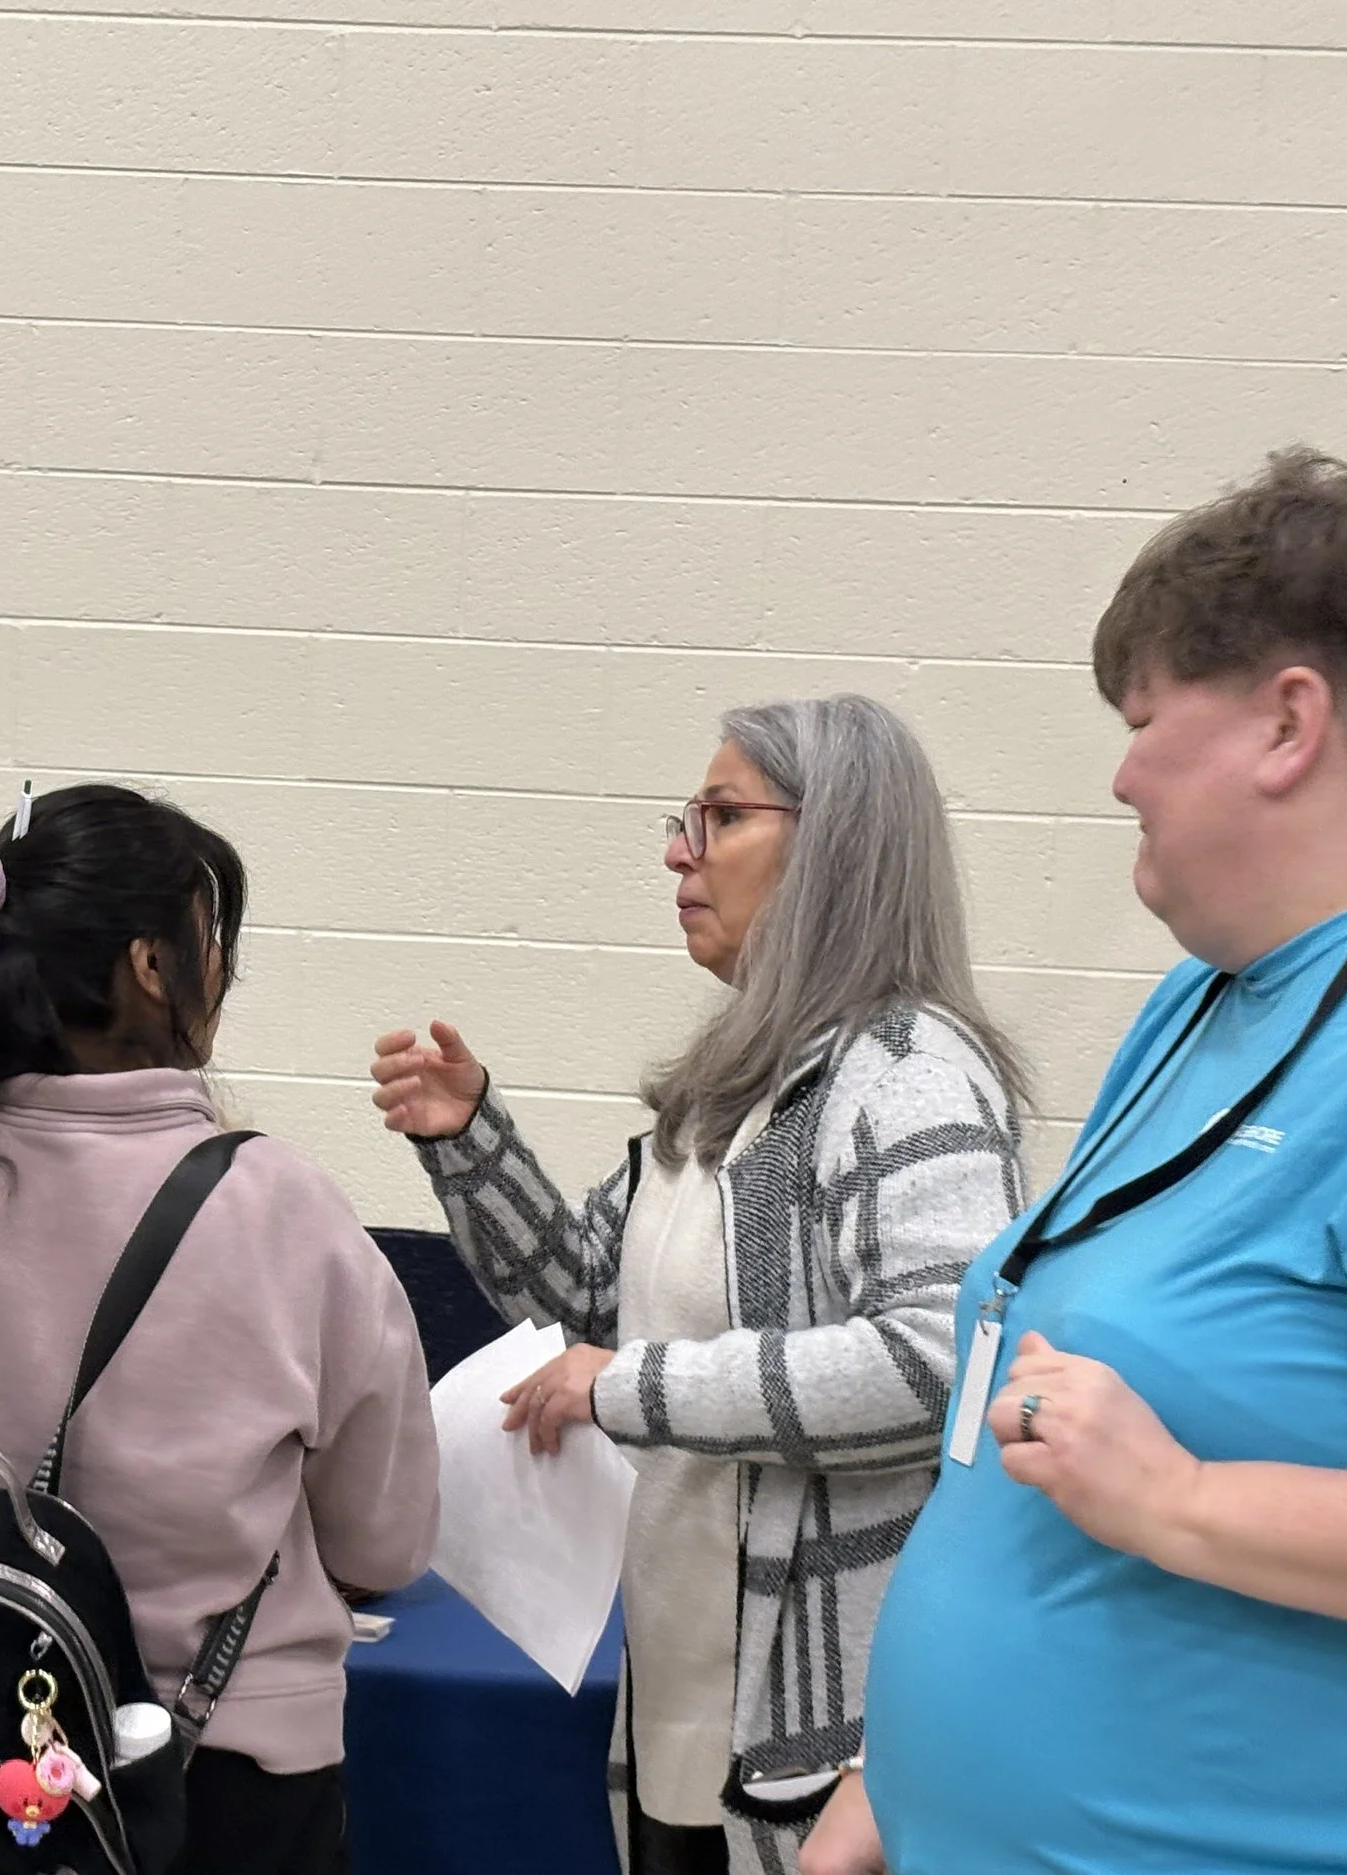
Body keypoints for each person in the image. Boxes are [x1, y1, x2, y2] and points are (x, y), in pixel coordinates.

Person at [837, 451, 1347, 1874]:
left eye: (1145, 719)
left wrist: (1181, 1501)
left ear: (1288, 720)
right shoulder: (1214, 994)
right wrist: (898, 1771)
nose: (1123, 771)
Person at [370, 697, 1029, 1875]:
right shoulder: (734, 1085)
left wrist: (632, 1389)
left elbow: (935, 1367)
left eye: (719, 817)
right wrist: (471, 1141)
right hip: (689, 1712)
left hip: (827, 1742)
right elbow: (581, 1301)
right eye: (685, 819)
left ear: (833, 846)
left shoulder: (910, 1075)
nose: (679, 850)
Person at [0, 783, 439, 1875]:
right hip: (220, 1776)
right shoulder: (277, 1210)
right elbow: (383, 1542)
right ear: (148, 966)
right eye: (213, 944)